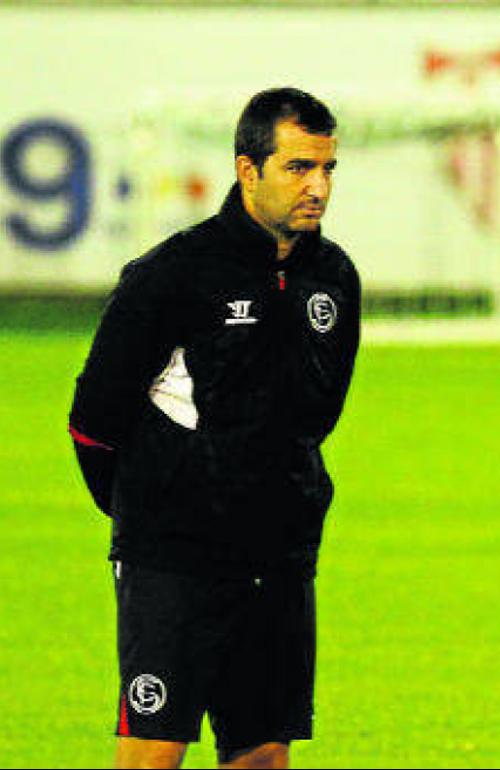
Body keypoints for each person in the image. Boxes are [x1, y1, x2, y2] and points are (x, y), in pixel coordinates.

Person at [68, 87, 360, 769]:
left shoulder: (334, 278)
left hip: (279, 556)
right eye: (298, 168)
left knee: (262, 755)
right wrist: (156, 509)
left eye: (327, 169)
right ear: (247, 170)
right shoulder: (172, 275)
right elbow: (93, 422)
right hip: (176, 557)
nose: (318, 187)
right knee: (153, 754)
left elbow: (318, 414)